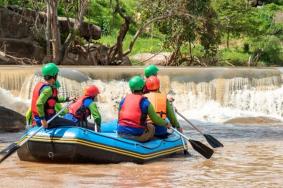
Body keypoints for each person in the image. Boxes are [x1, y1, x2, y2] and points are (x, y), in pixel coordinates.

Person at [117, 75, 171, 142]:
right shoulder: (145, 103)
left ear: (131, 88)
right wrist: (166, 123)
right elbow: (156, 120)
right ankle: (148, 143)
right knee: (152, 127)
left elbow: (119, 119)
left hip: (120, 133)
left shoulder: (123, 100)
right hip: (137, 135)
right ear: (143, 88)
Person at [31, 62, 76, 128]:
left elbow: (54, 99)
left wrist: (68, 99)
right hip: (47, 120)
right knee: (73, 124)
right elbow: (39, 103)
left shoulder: (42, 85)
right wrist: (43, 120)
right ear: (54, 75)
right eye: (56, 74)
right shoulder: (48, 89)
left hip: (38, 119)